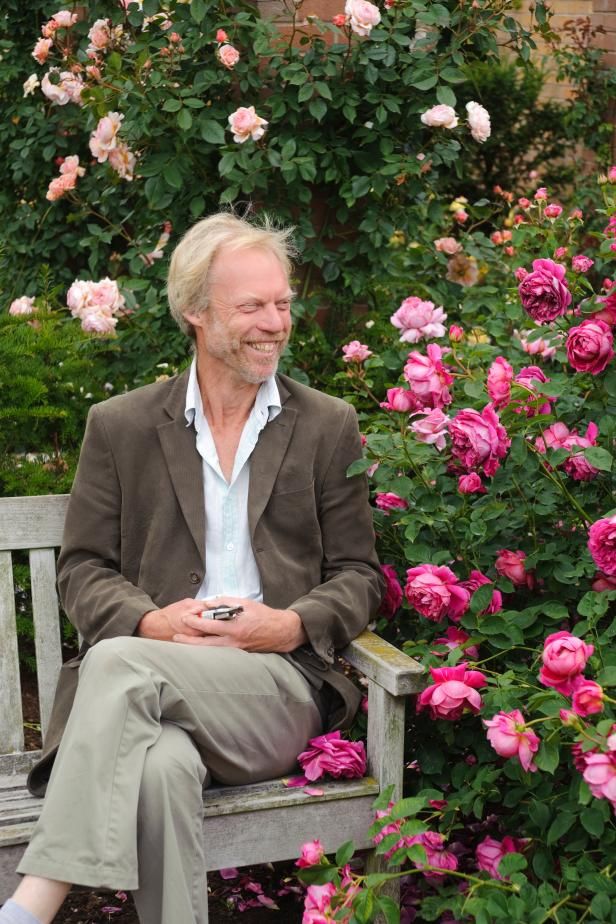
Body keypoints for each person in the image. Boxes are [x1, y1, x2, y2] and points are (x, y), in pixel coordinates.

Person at [1, 212, 383, 924]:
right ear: (195, 314)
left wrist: (290, 623)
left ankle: (31, 905)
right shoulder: (120, 426)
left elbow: (360, 573)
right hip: (154, 688)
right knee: (159, 769)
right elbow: (82, 566)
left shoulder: (327, 422)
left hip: (274, 691)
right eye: (252, 307)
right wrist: (150, 620)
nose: (274, 322)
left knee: (116, 664)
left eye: (283, 304)